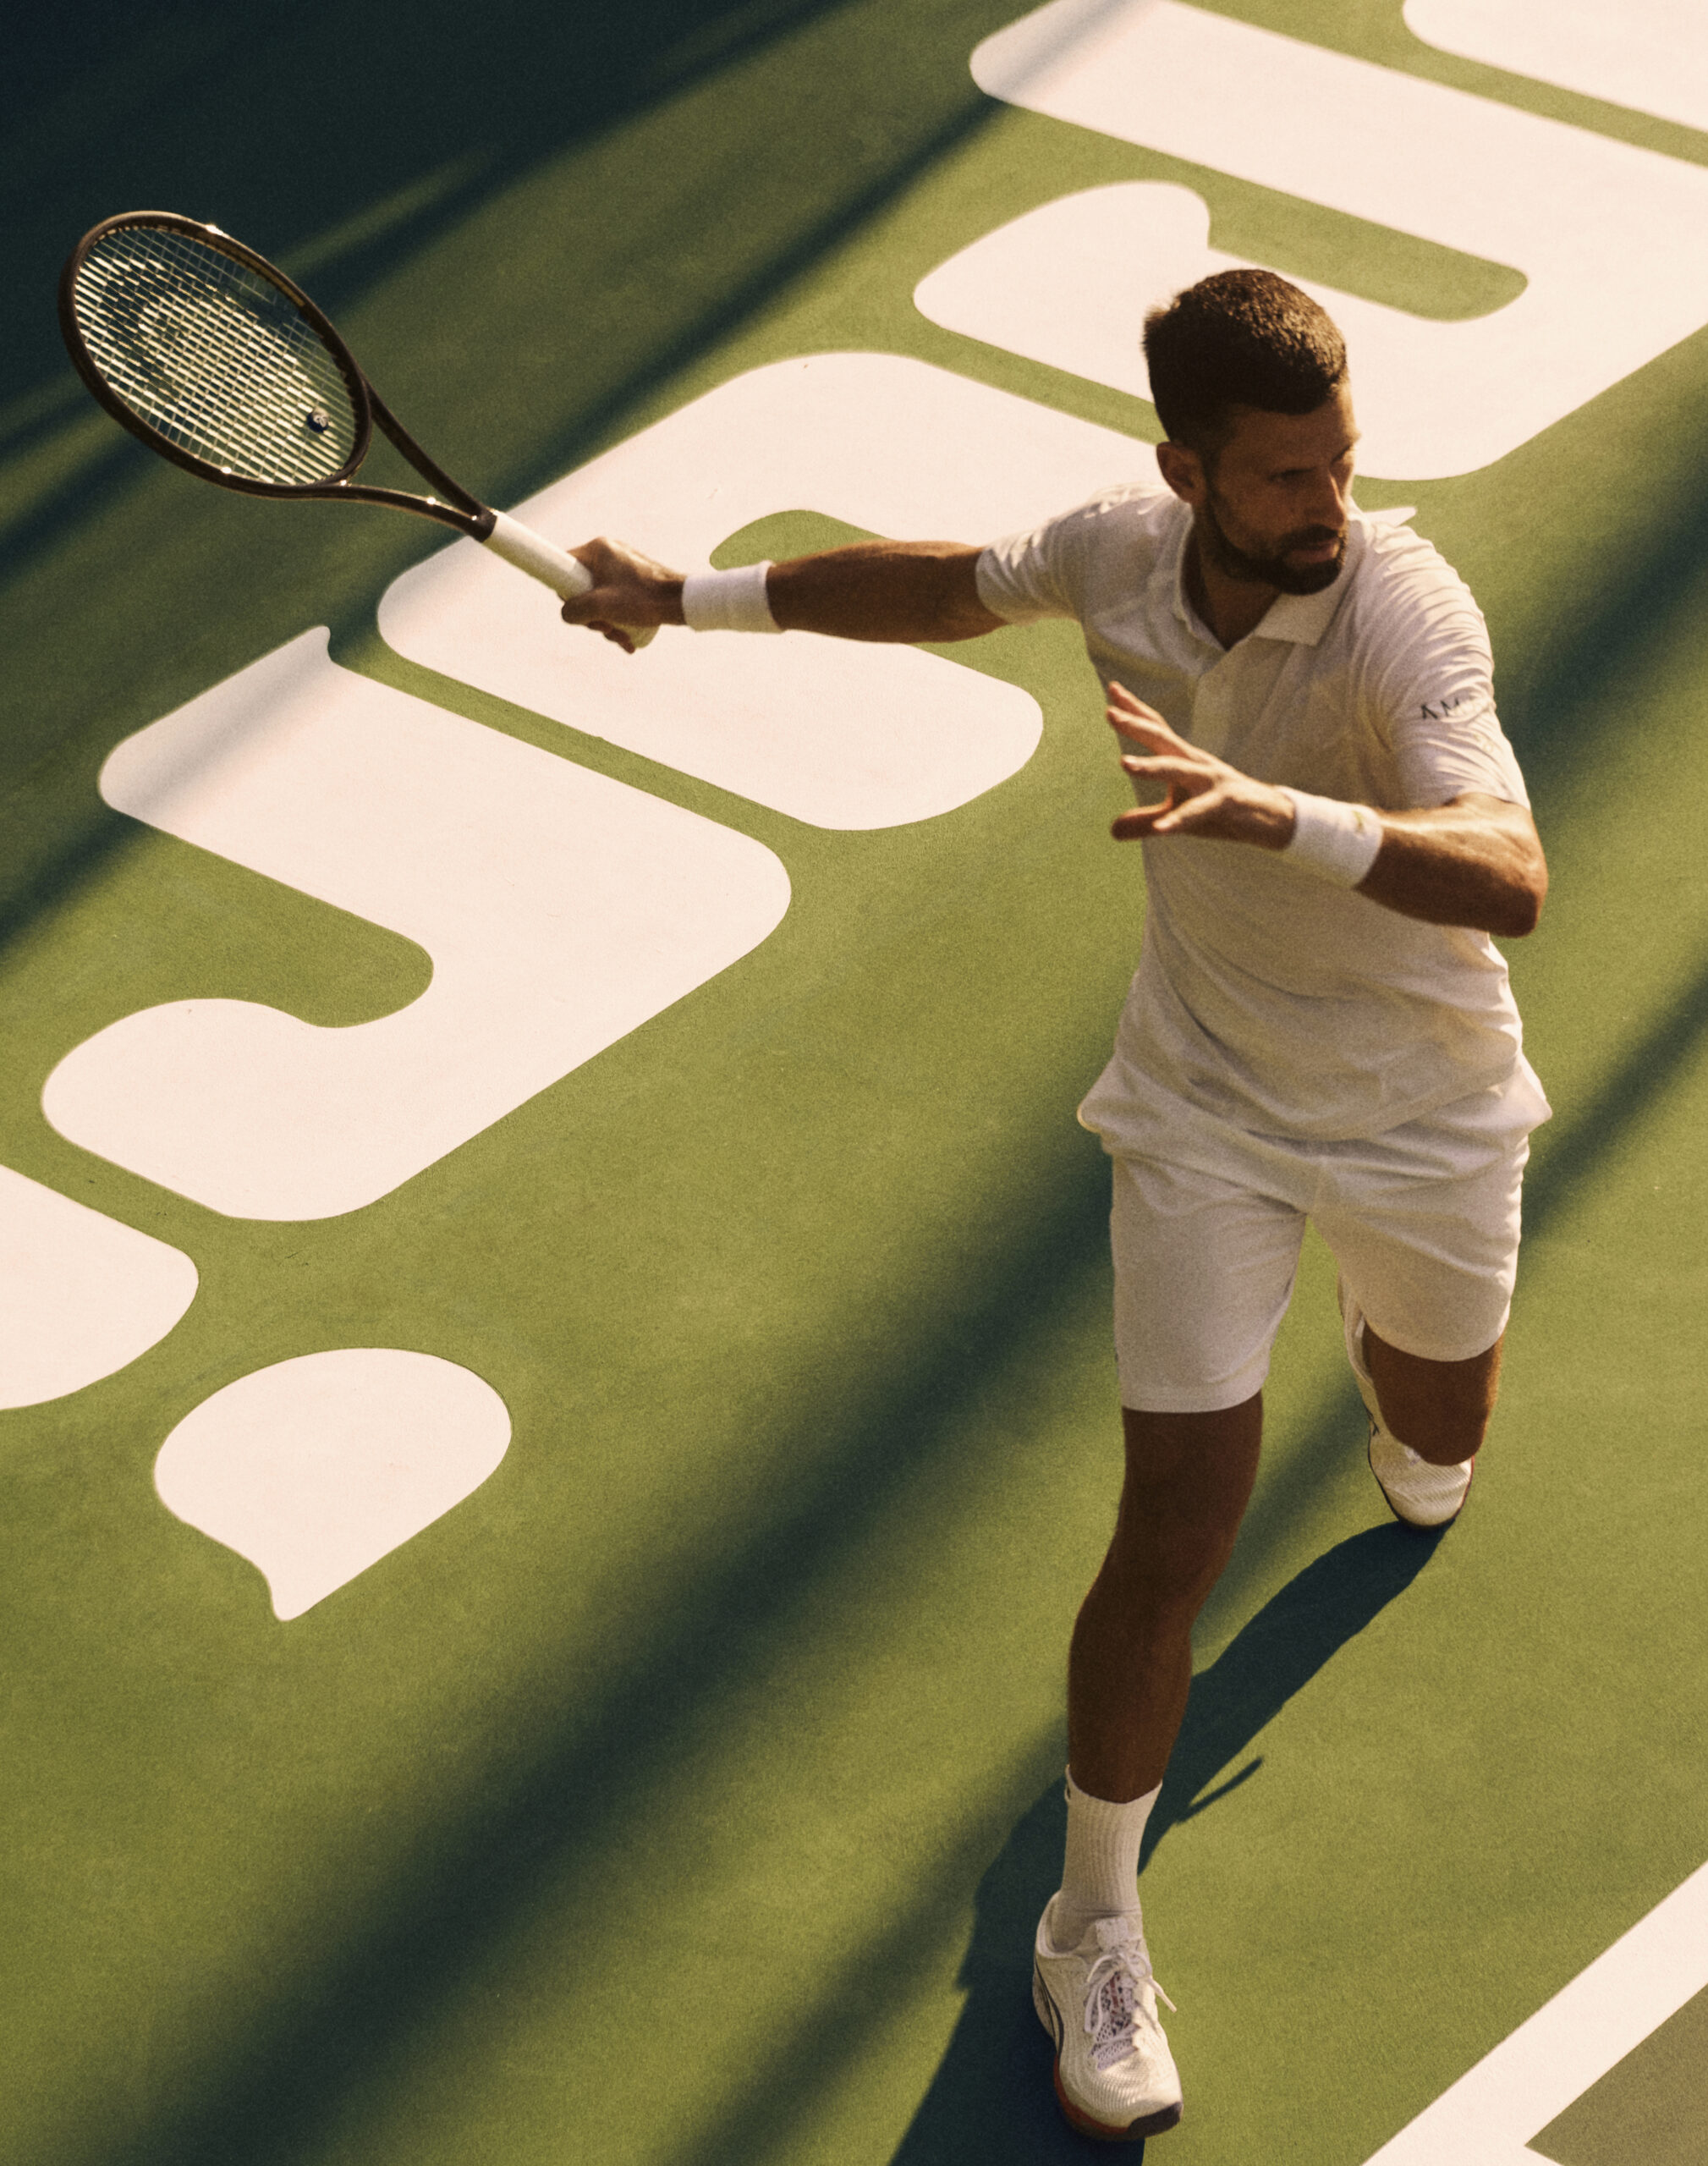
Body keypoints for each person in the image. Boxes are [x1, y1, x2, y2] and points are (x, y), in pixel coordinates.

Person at [558, 270, 1549, 2144]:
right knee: (1173, 1520)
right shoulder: (1114, 551)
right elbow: (946, 587)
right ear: (1183, 472)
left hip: (1424, 1115)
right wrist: (682, 597)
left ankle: (1393, 1356)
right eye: (1282, 475)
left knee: (1438, 1438)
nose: (1326, 503)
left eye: (1340, 461)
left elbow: (1510, 873)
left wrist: (1281, 817)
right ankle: (1089, 1922)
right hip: (1200, 1107)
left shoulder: (1405, 611)